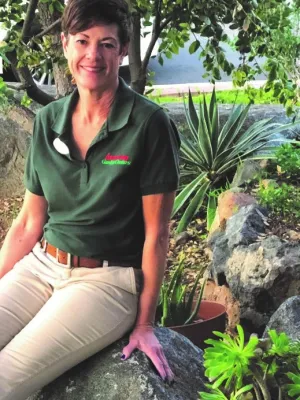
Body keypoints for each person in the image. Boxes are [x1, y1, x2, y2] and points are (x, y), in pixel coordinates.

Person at [0, 0, 180, 399]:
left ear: (125, 50)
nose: (93, 56)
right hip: (40, 266)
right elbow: (28, 222)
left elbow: (158, 235)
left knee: (4, 378)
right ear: (65, 44)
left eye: (107, 44)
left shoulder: (149, 125)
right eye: (82, 41)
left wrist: (146, 324)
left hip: (105, 283)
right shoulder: (49, 121)